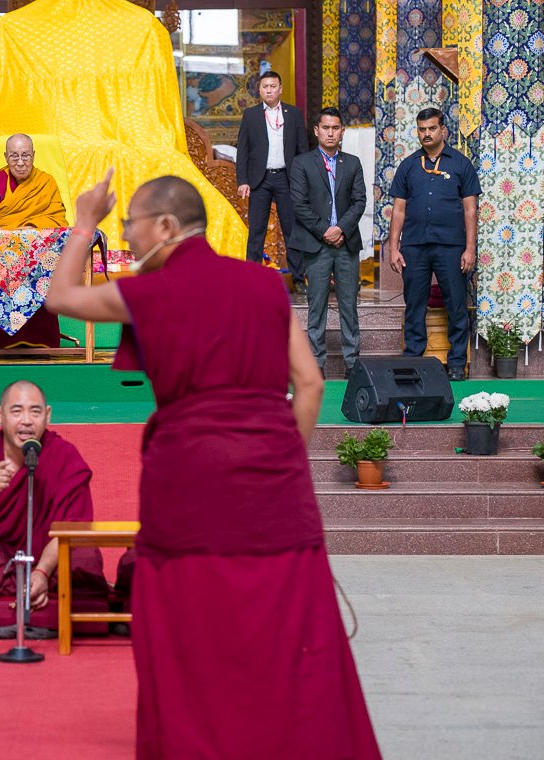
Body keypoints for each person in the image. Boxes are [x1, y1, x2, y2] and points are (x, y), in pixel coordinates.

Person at [46, 171, 380, 758]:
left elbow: (60, 298)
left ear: (165, 226)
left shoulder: (149, 293)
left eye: (130, 226)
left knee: (193, 632)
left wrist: (83, 223)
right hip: (274, 489)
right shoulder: (265, 284)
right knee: (283, 632)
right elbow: (310, 383)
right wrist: (279, 456)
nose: (125, 238)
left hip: (189, 484)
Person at [0, 380, 107, 638]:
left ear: (48, 415)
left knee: (84, 558)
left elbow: (72, 527)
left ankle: (7, 604)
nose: (26, 421)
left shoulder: (65, 456)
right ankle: (43, 606)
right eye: (16, 411)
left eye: (35, 412)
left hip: (50, 559)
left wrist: (42, 571)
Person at [387, 107, 479, 381]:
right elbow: (398, 210)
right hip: (414, 246)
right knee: (414, 304)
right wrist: (393, 247)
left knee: (456, 305)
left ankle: (457, 363)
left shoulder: (461, 164)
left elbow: (470, 210)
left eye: (432, 128)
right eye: (422, 129)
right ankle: (413, 360)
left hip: (451, 246)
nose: (426, 134)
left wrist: (470, 248)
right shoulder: (408, 165)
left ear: (443, 130)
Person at [288, 107, 367, 378]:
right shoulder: (302, 163)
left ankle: (352, 364)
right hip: (316, 244)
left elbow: (359, 201)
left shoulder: (352, 163)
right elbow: (299, 204)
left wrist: (341, 228)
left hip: (346, 243)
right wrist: (326, 231)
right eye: (326, 128)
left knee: (349, 306)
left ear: (342, 131)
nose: (330, 133)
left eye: (335, 128)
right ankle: (315, 364)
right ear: (317, 131)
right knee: (317, 306)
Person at [0, 133, 68, 349]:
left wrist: (30, 231)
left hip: (37, 251)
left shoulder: (46, 182)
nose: (20, 162)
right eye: (14, 156)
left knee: (43, 270)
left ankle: (41, 339)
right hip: (1, 250)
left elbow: (57, 220)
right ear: (5, 157)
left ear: (33, 155)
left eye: (25, 155)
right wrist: (11, 238)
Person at [236, 70, 309, 289]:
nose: (269, 90)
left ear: (280, 89)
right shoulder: (251, 115)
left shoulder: (293, 114)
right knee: (256, 231)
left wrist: (303, 180)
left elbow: (302, 149)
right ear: (259, 90)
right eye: (265, 87)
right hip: (260, 180)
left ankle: (299, 279)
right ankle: (251, 279)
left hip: (287, 178)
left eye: (273, 86)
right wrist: (243, 180)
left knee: (292, 230)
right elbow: (243, 150)